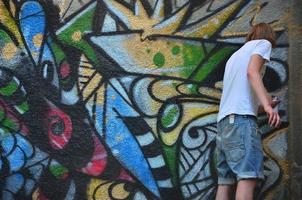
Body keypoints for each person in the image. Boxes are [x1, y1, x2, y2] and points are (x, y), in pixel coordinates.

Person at [215, 23, 281, 200]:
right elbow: (252, 72)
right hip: (241, 124)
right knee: (247, 177)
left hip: (223, 126)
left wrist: (265, 102)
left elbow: (240, 99)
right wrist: (268, 106)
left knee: (224, 183)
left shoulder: (234, 57)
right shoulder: (263, 44)